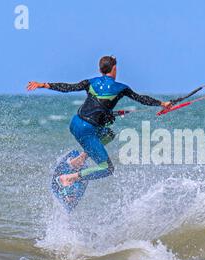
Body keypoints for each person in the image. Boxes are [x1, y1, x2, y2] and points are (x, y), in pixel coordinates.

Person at [27, 55, 171, 194]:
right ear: (114, 69)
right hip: (87, 131)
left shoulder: (91, 82)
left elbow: (68, 87)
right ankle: (68, 178)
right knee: (107, 168)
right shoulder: (121, 87)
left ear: (100, 69)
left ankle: (80, 159)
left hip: (75, 122)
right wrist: (162, 104)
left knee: (108, 134)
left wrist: (44, 85)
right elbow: (141, 99)